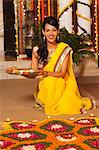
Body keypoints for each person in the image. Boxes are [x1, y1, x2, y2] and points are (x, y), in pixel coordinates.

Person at [7, 16, 98, 115]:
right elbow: (33, 73)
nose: (51, 33)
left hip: (63, 83)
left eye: (54, 30)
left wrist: (45, 72)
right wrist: (18, 71)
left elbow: (62, 74)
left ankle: (85, 103)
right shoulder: (36, 50)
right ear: (43, 32)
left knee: (67, 107)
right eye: (48, 30)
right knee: (49, 82)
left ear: (58, 31)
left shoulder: (64, 49)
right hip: (47, 84)